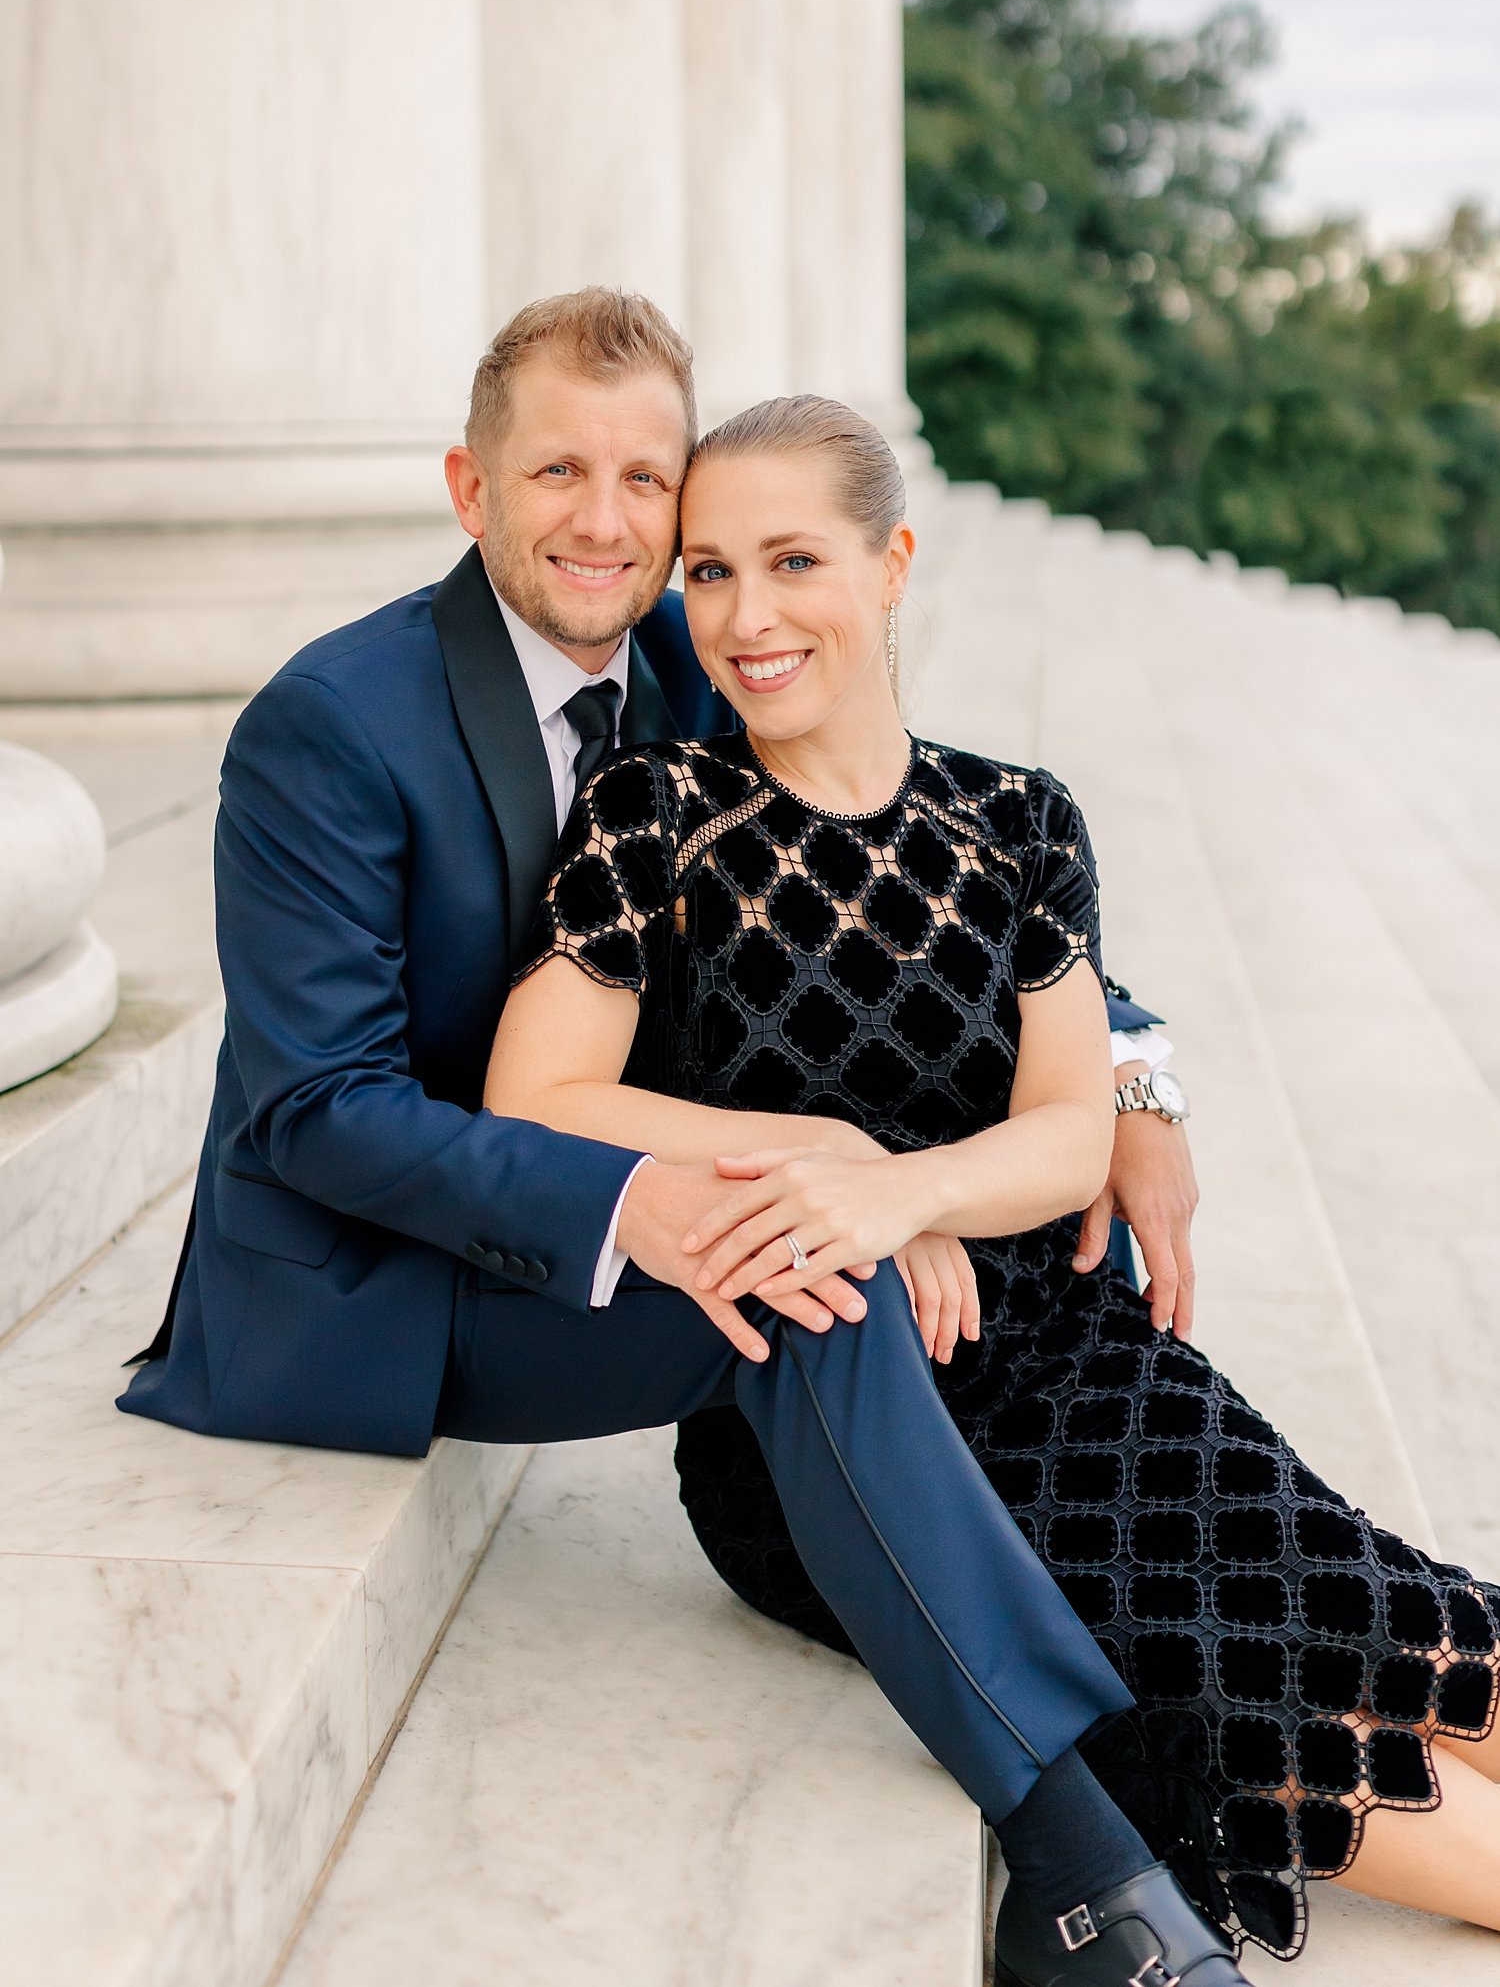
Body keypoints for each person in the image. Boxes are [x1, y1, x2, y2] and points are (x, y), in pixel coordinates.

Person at [119, 290, 1241, 1987]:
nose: (608, 517)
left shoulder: (690, 658)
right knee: (811, 1267)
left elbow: (934, 853)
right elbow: (317, 1113)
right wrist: (670, 1191)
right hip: (378, 1276)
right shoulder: (329, 724)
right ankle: (1083, 1857)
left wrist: (1136, 1079)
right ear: (467, 486)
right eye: (556, 468)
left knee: (821, 1245)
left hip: (603, 1177)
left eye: (646, 477)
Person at [483, 390, 1500, 1972]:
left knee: (1381, 1603)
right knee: (1241, 1687)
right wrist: (833, 1166)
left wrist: (912, 1191)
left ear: (891, 565)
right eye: (707, 572)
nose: (746, 616)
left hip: (1078, 1357)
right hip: (831, 1429)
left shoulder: (1018, 820)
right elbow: (533, 1094)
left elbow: (1070, 1132)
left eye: (792, 561)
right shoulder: (657, 814)